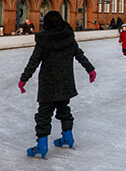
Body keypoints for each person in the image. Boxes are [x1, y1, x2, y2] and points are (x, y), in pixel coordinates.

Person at [18, 11, 96, 159]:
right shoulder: (68, 38)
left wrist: (23, 79)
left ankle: (41, 146)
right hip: (65, 82)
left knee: (44, 114)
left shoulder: (44, 40)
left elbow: (34, 61)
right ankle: (68, 138)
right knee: (64, 108)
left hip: (48, 84)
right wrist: (90, 69)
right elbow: (79, 54)